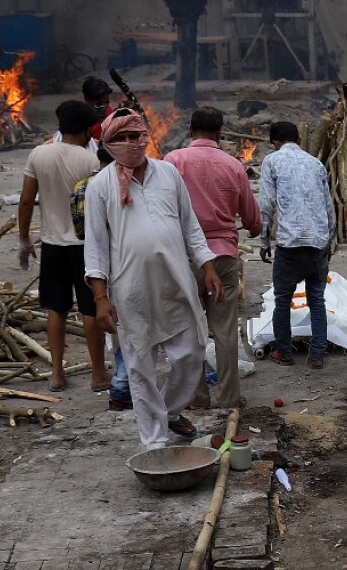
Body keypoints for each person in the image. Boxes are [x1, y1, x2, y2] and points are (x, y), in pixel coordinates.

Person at [83, 109, 223, 449]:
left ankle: (170, 411)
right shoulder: (100, 186)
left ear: (145, 137)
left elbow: (190, 225)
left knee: (192, 353)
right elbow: (96, 246)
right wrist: (101, 299)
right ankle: (154, 441)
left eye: (136, 136)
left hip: (176, 283)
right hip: (132, 291)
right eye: (122, 138)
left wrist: (207, 265)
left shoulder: (168, 173)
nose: (131, 143)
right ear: (109, 143)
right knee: (140, 367)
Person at [164, 107, 262, 410]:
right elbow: (253, 220)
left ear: (191, 129)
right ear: (220, 133)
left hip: (183, 258)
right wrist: (252, 227)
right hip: (222, 257)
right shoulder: (233, 165)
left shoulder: (172, 162)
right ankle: (229, 397)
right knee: (225, 330)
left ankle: (196, 397)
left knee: (189, 330)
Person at [17, 99, 108, 393]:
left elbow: (27, 199)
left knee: (56, 309)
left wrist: (23, 239)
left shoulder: (38, 154)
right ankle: (97, 374)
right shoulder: (90, 161)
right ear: (85, 132)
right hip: (84, 245)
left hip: (52, 244)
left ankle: (57, 373)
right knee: (91, 309)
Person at [257, 121, 335, 369]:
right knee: (317, 300)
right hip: (317, 243)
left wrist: (263, 239)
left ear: (275, 142)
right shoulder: (315, 163)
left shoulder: (272, 161)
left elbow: (266, 204)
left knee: (282, 300)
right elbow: (328, 204)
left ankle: (284, 352)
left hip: (289, 245)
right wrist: (330, 239)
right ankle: (317, 355)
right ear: (297, 139)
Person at [68, 148, 132, 412]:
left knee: (114, 324)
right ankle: (121, 386)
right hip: (121, 261)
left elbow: (81, 230)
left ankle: (119, 383)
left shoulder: (81, 187)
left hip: (90, 257)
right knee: (129, 327)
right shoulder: (123, 184)